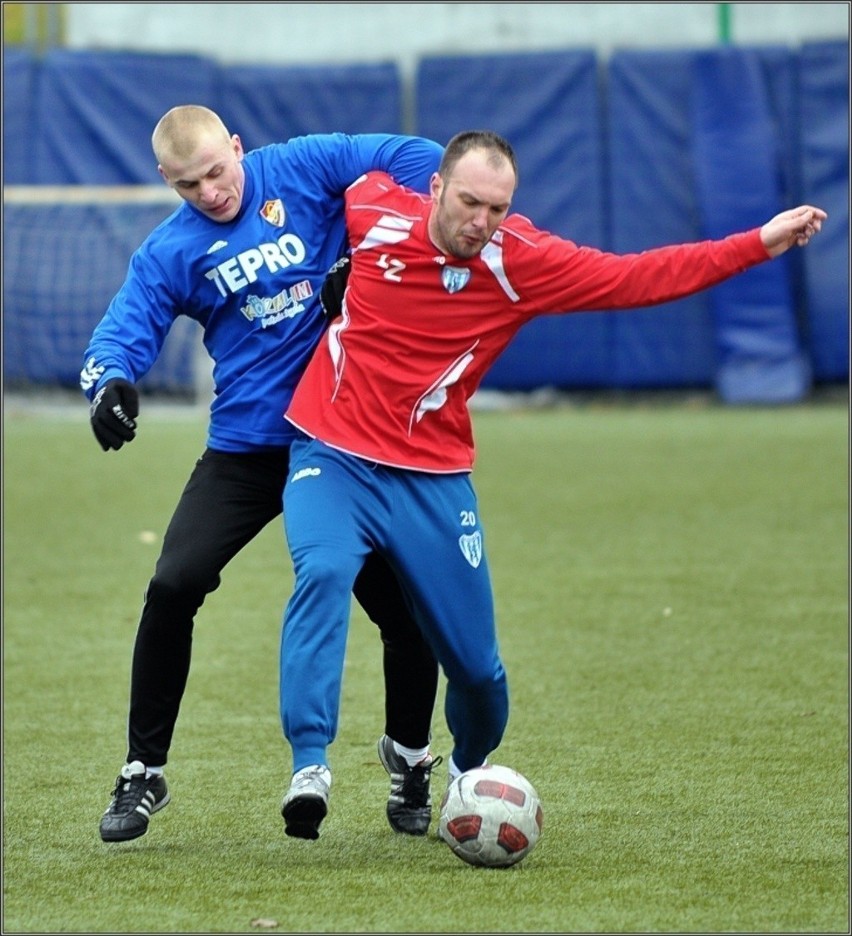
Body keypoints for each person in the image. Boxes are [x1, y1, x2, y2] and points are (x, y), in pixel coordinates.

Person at [275, 129, 827, 838]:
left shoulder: (521, 262)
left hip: (432, 477)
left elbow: (640, 276)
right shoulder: (374, 206)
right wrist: (326, 261)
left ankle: (465, 775)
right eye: (470, 201)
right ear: (436, 189)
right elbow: (305, 192)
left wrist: (758, 242)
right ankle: (310, 764)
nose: (481, 221)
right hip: (332, 452)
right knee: (320, 570)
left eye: (497, 208)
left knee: (478, 674)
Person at [80, 105, 445, 844]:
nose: (211, 191)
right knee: (173, 584)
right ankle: (142, 771)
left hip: (341, 442)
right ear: (166, 181)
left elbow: (422, 158)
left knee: (408, 616)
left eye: (218, 170)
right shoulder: (171, 250)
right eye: (189, 184)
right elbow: (122, 328)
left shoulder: (306, 164)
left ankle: (409, 756)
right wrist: (109, 383)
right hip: (247, 449)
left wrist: (373, 260)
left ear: (238, 147)